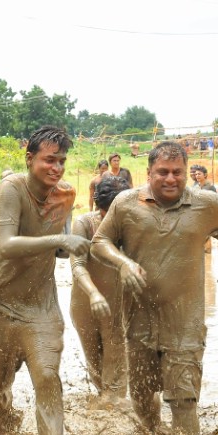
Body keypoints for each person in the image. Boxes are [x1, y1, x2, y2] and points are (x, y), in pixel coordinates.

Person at [91, 141, 218, 435]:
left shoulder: (206, 204)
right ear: (149, 173)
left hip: (185, 322)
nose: (171, 178)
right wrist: (122, 263)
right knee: (143, 397)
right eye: (163, 172)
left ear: (187, 173)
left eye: (177, 172)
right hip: (138, 322)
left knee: (183, 399)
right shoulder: (125, 203)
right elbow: (99, 242)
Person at [0, 125, 89, 435]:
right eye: (49, 160)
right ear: (30, 159)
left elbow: (61, 237)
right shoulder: (10, 189)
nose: (56, 168)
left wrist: (69, 245)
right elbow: (8, 244)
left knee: (47, 378)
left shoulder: (66, 195)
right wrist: (58, 242)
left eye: (62, 161)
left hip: (41, 308)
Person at [70, 174, 131, 407]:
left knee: (115, 374)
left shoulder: (130, 225)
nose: (112, 220)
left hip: (118, 305)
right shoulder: (84, 224)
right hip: (85, 303)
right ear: (98, 207)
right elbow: (77, 264)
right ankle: (104, 414)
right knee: (95, 364)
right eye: (107, 214)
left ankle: (116, 417)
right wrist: (93, 293)